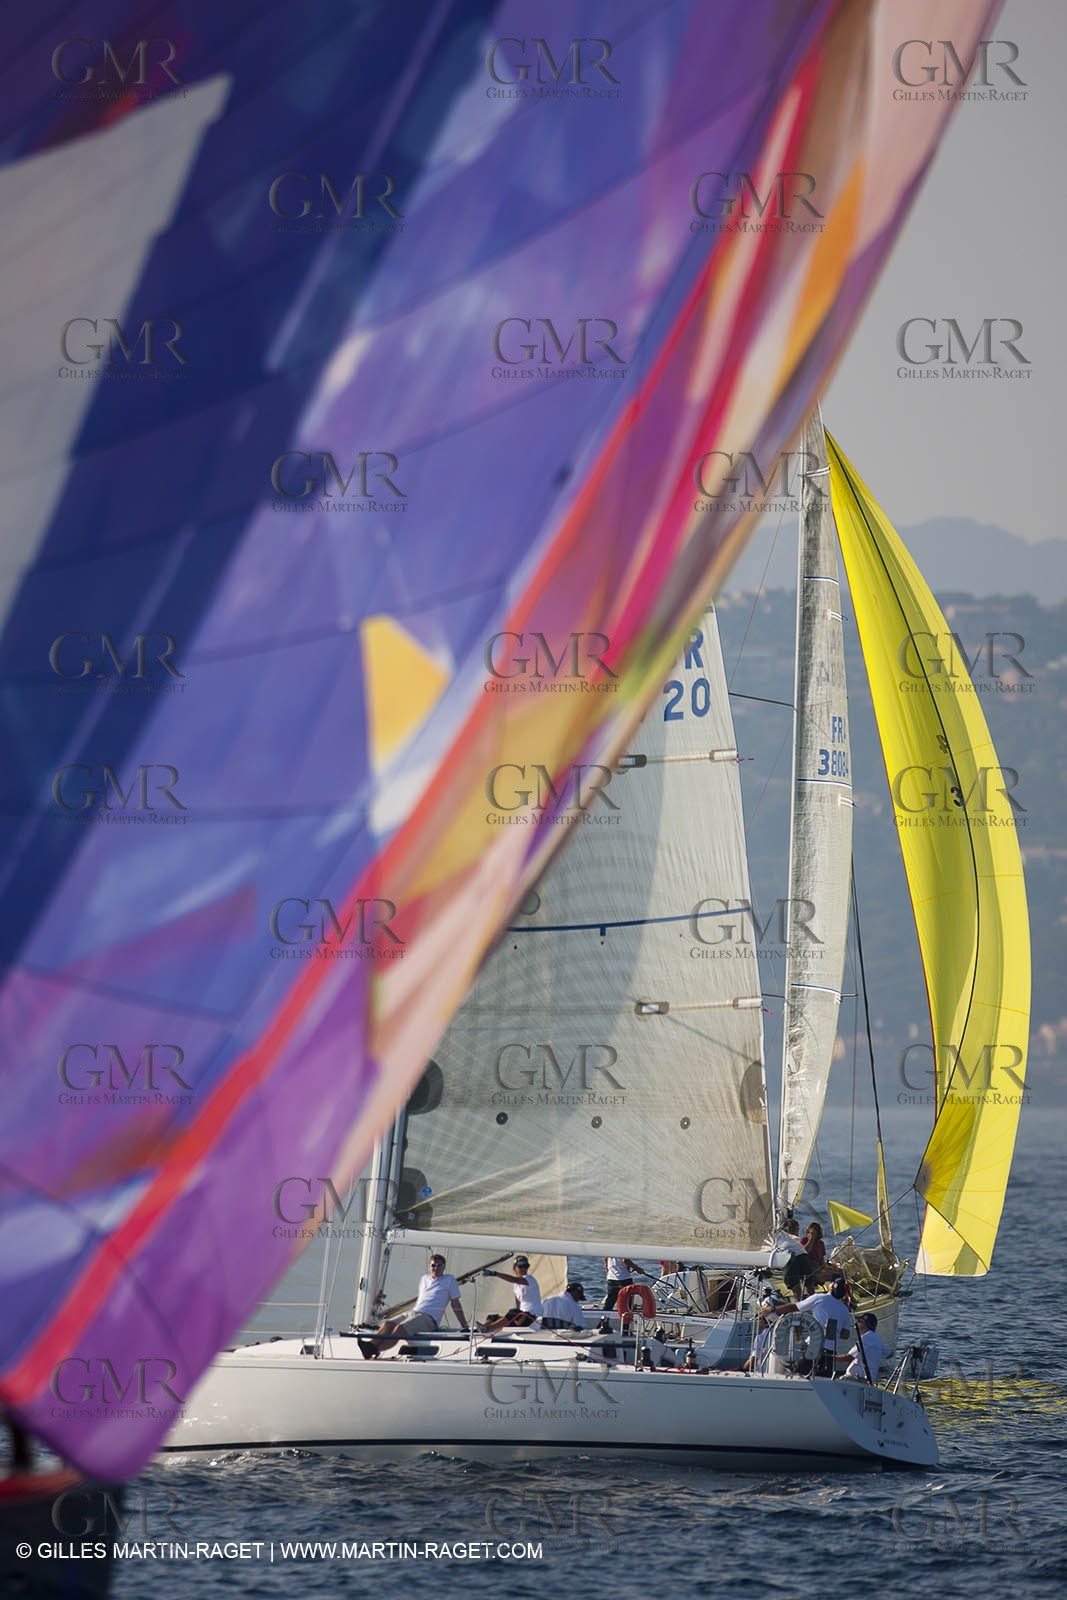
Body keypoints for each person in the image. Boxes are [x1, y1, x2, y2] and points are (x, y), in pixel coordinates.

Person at [358, 1253, 468, 1357]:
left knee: (400, 1329)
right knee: (387, 1324)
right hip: (413, 1312)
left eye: (439, 1265)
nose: (436, 1268)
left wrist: (464, 1326)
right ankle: (371, 1345)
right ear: (429, 1267)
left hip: (428, 1318)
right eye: (433, 1265)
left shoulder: (449, 1280)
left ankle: (376, 1350)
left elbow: (455, 1303)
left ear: (444, 1267)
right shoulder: (424, 1279)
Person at [773, 1277, 852, 1374]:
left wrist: (773, 1310)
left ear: (832, 1287)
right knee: (823, 1378)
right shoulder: (844, 1309)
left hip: (814, 1346)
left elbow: (795, 1307)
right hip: (830, 1351)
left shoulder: (819, 1298)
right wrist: (833, 1331)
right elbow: (845, 1335)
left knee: (798, 1373)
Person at [480, 1255, 543, 1328]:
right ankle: (483, 1328)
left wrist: (495, 1274)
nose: (523, 1269)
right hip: (521, 1318)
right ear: (514, 1268)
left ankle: (490, 1328)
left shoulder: (530, 1279)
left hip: (532, 1317)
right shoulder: (516, 1285)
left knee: (513, 1313)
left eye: (525, 1266)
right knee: (492, 1317)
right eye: (520, 1266)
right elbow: (518, 1302)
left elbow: (514, 1279)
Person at [841, 1312, 890, 1383]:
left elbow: (849, 1358)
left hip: (857, 1380)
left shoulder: (866, 1338)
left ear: (866, 1324)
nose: (857, 1323)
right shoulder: (876, 1338)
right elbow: (889, 1353)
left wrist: (829, 1358)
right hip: (865, 1380)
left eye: (860, 1321)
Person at [774, 1218, 813, 1294]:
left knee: (793, 1283)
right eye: (797, 1229)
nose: (798, 1231)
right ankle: (812, 1300)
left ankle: (800, 1302)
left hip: (791, 1256)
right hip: (802, 1254)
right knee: (808, 1282)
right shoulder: (791, 1237)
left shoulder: (776, 1236)